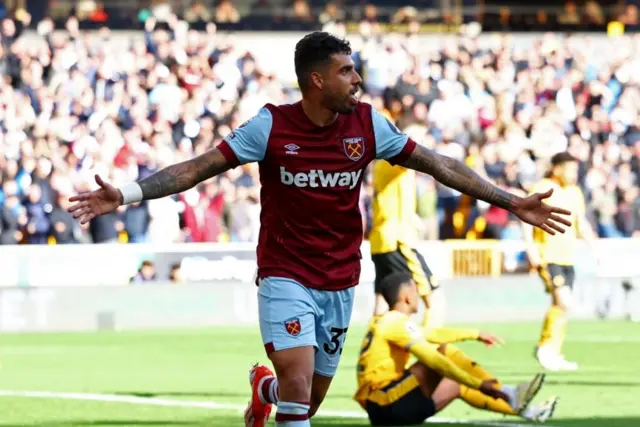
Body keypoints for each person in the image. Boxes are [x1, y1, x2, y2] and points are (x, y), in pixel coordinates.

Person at [68, 32, 572, 427]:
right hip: (285, 272)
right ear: (316, 80)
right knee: (298, 377)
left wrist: (512, 201)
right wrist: (127, 193)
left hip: (340, 278)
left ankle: (262, 389)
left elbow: (437, 164)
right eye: (346, 71)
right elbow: (197, 168)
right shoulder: (270, 126)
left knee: (303, 402)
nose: (357, 80)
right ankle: (278, 386)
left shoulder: (370, 125)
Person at [355, 272, 558, 426]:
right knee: (444, 354)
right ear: (407, 296)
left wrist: (475, 334)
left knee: (457, 385)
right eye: (416, 291)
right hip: (386, 403)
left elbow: (433, 334)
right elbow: (435, 361)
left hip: (385, 408)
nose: (419, 296)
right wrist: (479, 384)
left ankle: (525, 410)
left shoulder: (386, 320)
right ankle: (507, 392)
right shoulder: (395, 323)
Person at [522, 152, 597, 372]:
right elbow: (526, 218)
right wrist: (530, 247)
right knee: (563, 301)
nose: (574, 174)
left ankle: (552, 351)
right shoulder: (542, 188)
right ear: (557, 169)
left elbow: (580, 222)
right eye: (570, 169)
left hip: (568, 256)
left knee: (561, 306)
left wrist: (595, 247)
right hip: (548, 255)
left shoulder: (575, 192)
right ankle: (546, 348)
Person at [369, 155, 440, 328]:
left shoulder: (382, 166)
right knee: (434, 299)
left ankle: (373, 350)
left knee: (383, 302)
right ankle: (427, 349)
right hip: (398, 240)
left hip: (381, 241)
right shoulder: (389, 163)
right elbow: (409, 155)